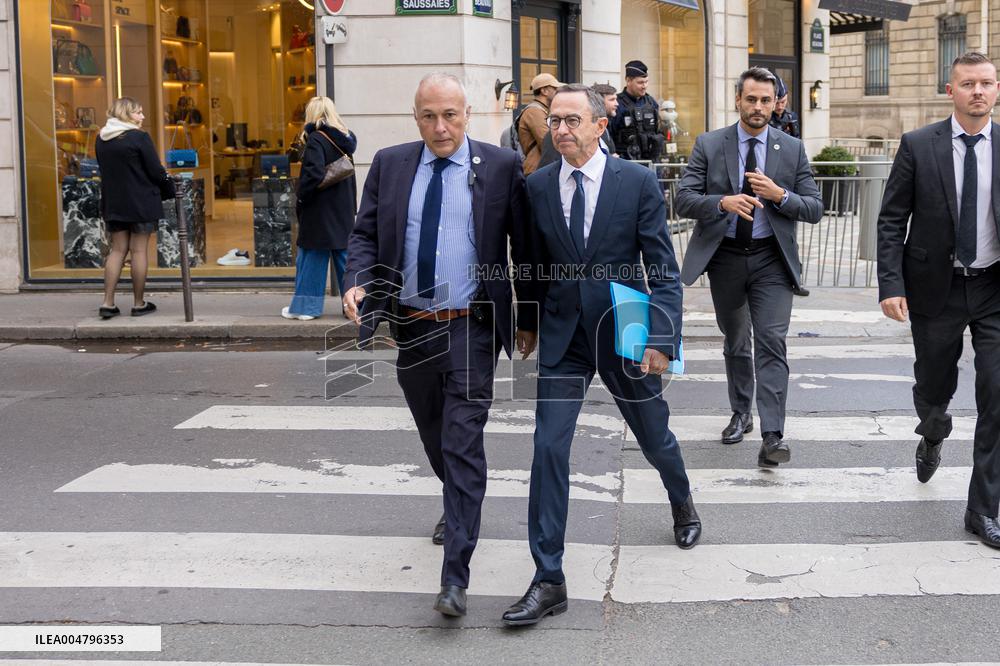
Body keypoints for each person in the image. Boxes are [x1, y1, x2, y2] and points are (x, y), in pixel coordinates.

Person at [502, 84, 700, 627]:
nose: (560, 129)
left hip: (624, 329)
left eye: (572, 120)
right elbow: (530, 262)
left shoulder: (635, 182)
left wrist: (662, 340)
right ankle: (549, 578)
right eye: (554, 121)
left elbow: (662, 268)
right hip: (563, 336)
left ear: (599, 125)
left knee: (654, 435)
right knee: (547, 448)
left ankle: (681, 497)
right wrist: (527, 322)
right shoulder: (537, 185)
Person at [342, 73, 531, 616]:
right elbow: (365, 233)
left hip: (472, 325)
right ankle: (459, 500)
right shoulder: (391, 164)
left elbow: (523, 245)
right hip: (413, 326)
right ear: (416, 117)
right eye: (429, 116)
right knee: (434, 435)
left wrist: (527, 317)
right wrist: (357, 281)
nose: (440, 126)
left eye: (450, 115)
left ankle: (455, 577)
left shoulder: (501, 166)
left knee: (461, 442)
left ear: (467, 114)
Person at [877, 51, 1000, 548]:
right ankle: (932, 429)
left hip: (993, 287)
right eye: (968, 83)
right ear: (950, 91)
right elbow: (891, 220)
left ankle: (982, 510)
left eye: (986, 82)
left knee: (997, 395)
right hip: (936, 287)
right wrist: (891, 284)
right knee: (933, 385)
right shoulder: (918, 145)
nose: (978, 91)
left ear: (997, 89)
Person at [675, 67, 822, 468]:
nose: (758, 107)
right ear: (738, 99)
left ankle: (773, 435)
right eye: (751, 99)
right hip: (725, 257)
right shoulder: (709, 144)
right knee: (737, 339)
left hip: (771, 259)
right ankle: (741, 412)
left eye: (766, 100)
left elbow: (815, 207)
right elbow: (683, 199)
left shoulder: (791, 148)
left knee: (772, 341)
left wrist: (780, 195)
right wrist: (721, 202)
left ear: (776, 103)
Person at [95, 97, 175, 320]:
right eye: (138, 112)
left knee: (117, 250)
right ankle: (139, 304)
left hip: (114, 201)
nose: (142, 116)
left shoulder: (101, 138)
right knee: (139, 251)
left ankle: (107, 303)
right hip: (141, 201)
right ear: (125, 114)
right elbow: (155, 170)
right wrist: (168, 186)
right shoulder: (139, 137)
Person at [282, 96, 357, 321]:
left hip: (320, 212)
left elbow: (313, 174)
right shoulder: (345, 138)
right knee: (346, 261)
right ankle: (355, 307)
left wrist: (301, 195)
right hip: (342, 210)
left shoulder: (316, 138)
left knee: (311, 257)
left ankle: (307, 308)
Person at [610, 60, 663, 161]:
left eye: (646, 82)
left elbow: (658, 132)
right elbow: (609, 135)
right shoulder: (617, 104)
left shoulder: (651, 103)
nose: (644, 86)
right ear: (628, 81)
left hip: (650, 162)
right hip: (626, 162)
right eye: (640, 82)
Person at [518, 72, 563, 175]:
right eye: (555, 89)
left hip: (542, 169)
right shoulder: (534, 111)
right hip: (535, 170)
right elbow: (549, 141)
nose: (558, 92)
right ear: (544, 91)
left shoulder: (542, 110)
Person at [768, 75, 800, 139]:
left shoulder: (791, 116)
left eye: (783, 102)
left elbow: (797, 139)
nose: (780, 107)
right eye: (777, 103)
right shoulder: (765, 118)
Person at [592, 82, 619, 155]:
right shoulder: (593, 127)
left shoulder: (604, 124)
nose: (617, 104)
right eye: (612, 100)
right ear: (599, 102)